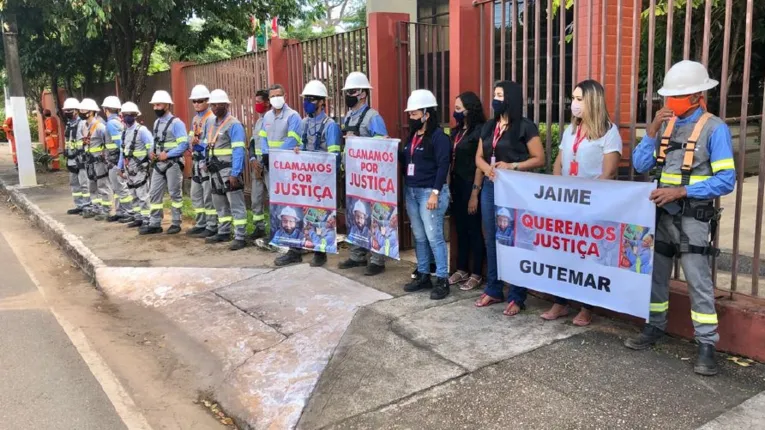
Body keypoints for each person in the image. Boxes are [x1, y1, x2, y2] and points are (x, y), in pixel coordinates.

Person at [625, 60, 735, 376]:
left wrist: (680, 192)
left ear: (697, 95)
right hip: (660, 216)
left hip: (692, 218)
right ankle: (654, 326)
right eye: (669, 96)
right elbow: (641, 164)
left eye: (677, 96)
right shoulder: (666, 124)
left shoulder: (715, 129)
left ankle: (706, 345)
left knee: (697, 281)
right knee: (656, 276)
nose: (669, 102)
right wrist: (650, 134)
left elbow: (727, 179)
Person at [541, 79, 622, 326]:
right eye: (573, 99)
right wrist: (559, 189)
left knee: (588, 255)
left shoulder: (609, 132)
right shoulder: (570, 130)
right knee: (564, 253)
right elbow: (559, 162)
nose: (573, 104)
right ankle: (560, 302)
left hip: (592, 205)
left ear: (592, 101)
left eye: (578, 99)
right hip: (566, 204)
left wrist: (584, 197)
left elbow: (609, 173)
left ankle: (587, 307)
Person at [474, 81, 545, 315]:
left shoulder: (525, 127)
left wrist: (513, 165)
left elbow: (539, 158)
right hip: (491, 187)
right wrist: (487, 169)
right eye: (494, 94)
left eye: (500, 95)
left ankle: (517, 294)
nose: (495, 99)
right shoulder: (489, 126)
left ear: (511, 98)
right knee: (491, 239)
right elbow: (479, 157)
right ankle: (494, 288)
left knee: (515, 239)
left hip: (516, 190)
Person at [337, 71, 390, 276]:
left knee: (374, 216)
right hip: (353, 175)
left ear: (363, 94)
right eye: (347, 91)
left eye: (352, 91)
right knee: (355, 214)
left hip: (370, 177)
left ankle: (377, 259)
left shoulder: (373, 117)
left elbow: (383, 144)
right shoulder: (349, 115)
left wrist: (357, 139)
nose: (348, 95)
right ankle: (357, 254)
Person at [400, 89, 452, 300]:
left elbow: (443, 166)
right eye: (410, 114)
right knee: (419, 237)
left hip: (429, 193)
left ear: (426, 114)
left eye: (414, 114)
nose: (411, 118)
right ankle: (423, 274)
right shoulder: (412, 136)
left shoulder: (439, 138)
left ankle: (442, 278)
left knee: (434, 237)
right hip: (411, 192)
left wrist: (435, 193)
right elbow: (405, 158)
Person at [291, 80, 341, 267]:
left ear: (322, 102)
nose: (307, 103)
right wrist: (298, 151)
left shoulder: (330, 126)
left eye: (311, 99)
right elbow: (301, 147)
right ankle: (306, 245)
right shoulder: (304, 123)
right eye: (306, 99)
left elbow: (334, 155)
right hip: (307, 178)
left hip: (323, 179)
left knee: (321, 215)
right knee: (305, 213)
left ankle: (321, 252)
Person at [257, 84, 303, 263]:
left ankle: (295, 249)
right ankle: (277, 236)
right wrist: (265, 156)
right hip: (271, 167)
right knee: (275, 203)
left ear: (285, 95)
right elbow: (262, 138)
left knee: (291, 205)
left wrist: (275, 155)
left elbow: (293, 139)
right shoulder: (267, 116)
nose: (276, 98)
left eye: (279, 95)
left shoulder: (293, 116)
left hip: (287, 168)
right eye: (272, 96)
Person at [448, 91, 486, 291]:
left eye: (458, 109)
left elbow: (480, 164)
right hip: (455, 186)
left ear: (470, 110)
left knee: (474, 230)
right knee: (460, 229)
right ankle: (461, 268)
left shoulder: (479, 131)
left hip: (471, 185)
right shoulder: (456, 133)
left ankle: (477, 273)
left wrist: (474, 194)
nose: (456, 113)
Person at [203, 89, 248, 251]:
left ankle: (240, 236)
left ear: (225, 105)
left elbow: (238, 150)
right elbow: (208, 145)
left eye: (217, 104)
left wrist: (235, 173)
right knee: (219, 203)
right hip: (214, 171)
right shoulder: (211, 123)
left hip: (228, 171)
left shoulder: (234, 125)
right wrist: (204, 161)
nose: (214, 107)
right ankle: (224, 231)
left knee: (235, 204)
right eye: (212, 105)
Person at [142, 90, 188, 235]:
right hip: (158, 163)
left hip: (172, 163)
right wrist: (151, 151)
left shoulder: (177, 123)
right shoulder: (156, 122)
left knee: (175, 194)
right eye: (154, 105)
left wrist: (167, 154)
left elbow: (183, 145)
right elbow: (154, 141)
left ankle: (176, 222)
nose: (156, 107)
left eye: (158, 104)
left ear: (167, 105)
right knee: (154, 193)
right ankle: (155, 223)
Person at [186, 84, 218, 238]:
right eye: (194, 101)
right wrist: (190, 142)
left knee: (208, 195)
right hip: (196, 161)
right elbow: (190, 136)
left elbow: (211, 141)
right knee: (196, 194)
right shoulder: (195, 118)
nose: (197, 104)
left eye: (200, 101)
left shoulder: (211, 118)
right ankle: (201, 223)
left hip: (205, 161)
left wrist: (198, 143)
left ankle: (212, 225)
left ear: (207, 101)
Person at [118, 102, 153, 229]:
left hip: (140, 168)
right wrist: (120, 167)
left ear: (136, 115)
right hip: (129, 169)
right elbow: (123, 151)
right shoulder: (124, 132)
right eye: (125, 114)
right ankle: (138, 217)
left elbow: (150, 148)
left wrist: (149, 163)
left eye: (131, 114)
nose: (128, 117)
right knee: (133, 194)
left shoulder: (142, 131)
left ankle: (146, 219)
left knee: (142, 195)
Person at [79, 98, 113, 221]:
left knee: (102, 185)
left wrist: (106, 159)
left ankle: (106, 209)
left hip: (99, 161)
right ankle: (96, 207)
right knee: (92, 186)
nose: (81, 112)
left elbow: (107, 144)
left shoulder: (100, 127)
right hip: (89, 161)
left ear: (92, 111)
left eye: (84, 110)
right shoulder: (84, 125)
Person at [102, 96, 131, 222]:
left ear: (105, 109)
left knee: (121, 188)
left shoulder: (111, 124)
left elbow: (121, 144)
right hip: (116, 160)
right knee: (117, 188)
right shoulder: (119, 122)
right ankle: (120, 211)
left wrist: (120, 164)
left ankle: (129, 212)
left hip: (115, 162)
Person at [249, 89, 271, 240]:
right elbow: (252, 142)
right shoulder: (258, 121)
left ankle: (276, 229)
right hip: (257, 166)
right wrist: (252, 159)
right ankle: (259, 227)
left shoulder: (272, 120)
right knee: (256, 198)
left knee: (273, 197)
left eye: (259, 102)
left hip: (269, 166)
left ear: (267, 103)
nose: (256, 105)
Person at [63, 98, 91, 214]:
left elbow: (87, 140)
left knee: (84, 184)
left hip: (81, 158)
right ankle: (79, 205)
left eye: (70, 110)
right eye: (66, 110)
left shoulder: (82, 124)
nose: (67, 113)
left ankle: (87, 206)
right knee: (74, 184)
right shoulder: (69, 125)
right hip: (71, 159)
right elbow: (68, 140)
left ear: (76, 111)